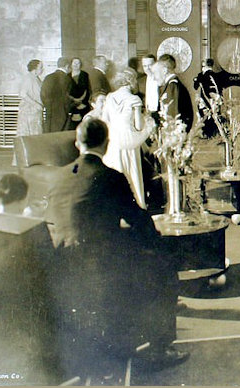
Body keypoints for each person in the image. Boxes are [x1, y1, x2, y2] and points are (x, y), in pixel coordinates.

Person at [45, 119, 189, 369]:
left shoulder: (58, 177)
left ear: (78, 143)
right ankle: (159, 349)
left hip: (60, 259)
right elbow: (139, 221)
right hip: (99, 261)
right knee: (163, 267)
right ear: (107, 144)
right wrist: (158, 244)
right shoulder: (109, 177)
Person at [102, 68, 155, 208]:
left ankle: (115, 207)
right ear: (131, 81)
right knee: (132, 173)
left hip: (113, 140)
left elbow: (104, 120)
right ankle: (137, 205)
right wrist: (146, 120)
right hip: (129, 139)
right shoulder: (134, 99)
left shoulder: (109, 97)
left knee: (116, 172)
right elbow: (138, 126)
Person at [153, 54, 194, 132]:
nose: (154, 78)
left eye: (155, 73)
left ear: (164, 71)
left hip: (173, 135)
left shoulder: (172, 86)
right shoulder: (170, 85)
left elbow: (173, 115)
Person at [41, 57, 75, 133]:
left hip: (49, 111)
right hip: (62, 112)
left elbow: (43, 95)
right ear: (67, 66)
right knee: (60, 136)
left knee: (49, 134)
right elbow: (67, 97)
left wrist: (48, 105)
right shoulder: (67, 79)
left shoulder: (48, 77)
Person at [193, 58, 221, 138]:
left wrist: (195, 80)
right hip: (216, 100)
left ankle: (207, 134)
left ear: (205, 66)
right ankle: (215, 133)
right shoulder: (217, 75)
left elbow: (195, 87)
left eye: (203, 66)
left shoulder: (202, 76)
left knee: (206, 116)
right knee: (215, 116)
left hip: (205, 100)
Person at [16, 59, 44, 136]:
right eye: (41, 67)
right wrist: (35, 104)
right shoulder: (28, 78)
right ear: (34, 69)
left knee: (35, 133)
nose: (42, 69)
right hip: (28, 112)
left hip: (35, 112)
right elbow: (23, 94)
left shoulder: (36, 78)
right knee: (29, 134)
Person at [67, 57, 91, 129]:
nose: (76, 65)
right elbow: (66, 92)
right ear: (71, 64)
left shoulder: (85, 75)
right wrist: (74, 102)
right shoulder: (67, 76)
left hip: (84, 105)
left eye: (78, 63)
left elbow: (88, 89)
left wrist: (83, 102)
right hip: (72, 105)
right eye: (74, 63)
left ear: (80, 65)